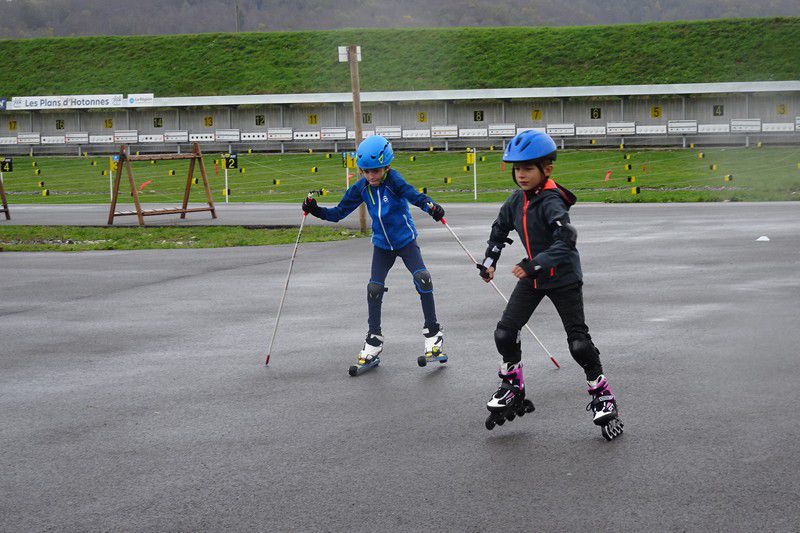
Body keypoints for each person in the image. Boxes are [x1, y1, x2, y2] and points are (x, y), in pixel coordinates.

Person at [478, 130, 623, 440]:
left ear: (547, 169)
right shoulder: (517, 200)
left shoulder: (551, 200)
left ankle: (602, 394)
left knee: (579, 344)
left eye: (528, 168)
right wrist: (490, 261)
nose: (521, 175)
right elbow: (499, 228)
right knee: (505, 333)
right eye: (517, 169)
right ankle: (513, 385)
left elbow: (567, 240)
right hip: (534, 278)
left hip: (564, 277)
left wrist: (535, 264)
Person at [302, 135, 447, 375]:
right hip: (381, 245)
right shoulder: (361, 188)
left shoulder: (394, 181)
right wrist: (314, 210)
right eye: (366, 171)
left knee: (422, 277)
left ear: (386, 166)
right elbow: (338, 213)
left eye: (376, 171)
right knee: (374, 288)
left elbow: (413, 195)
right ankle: (374, 340)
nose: (371, 176)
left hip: (405, 241)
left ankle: (433, 335)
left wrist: (431, 206)